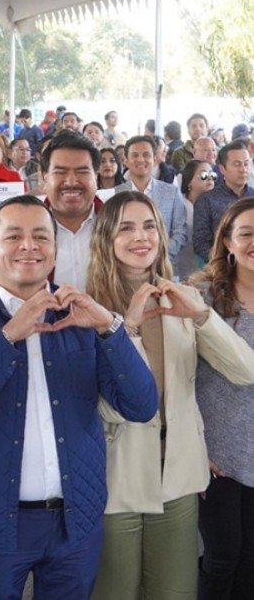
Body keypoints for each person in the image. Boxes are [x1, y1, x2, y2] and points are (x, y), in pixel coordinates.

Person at [0, 193, 158, 598]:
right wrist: (7, 338)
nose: (29, 246)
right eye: (13, 236)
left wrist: (110, 329)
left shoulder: (82, 317)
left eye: (41, 236)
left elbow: (141, 406)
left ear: (55, 251)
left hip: (76, 519)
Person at [86, 191, 254, 599]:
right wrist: (123, 329)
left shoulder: (182, 298)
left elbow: (245, 370)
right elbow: (109, 406)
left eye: (149, 226)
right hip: (117, 478)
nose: (140, 237)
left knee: (175, 593)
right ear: (107, 237)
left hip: (178, 477)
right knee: (116, 592)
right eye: (126, 227)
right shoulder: (88, 306)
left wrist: (201, 316)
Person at [190, 198, 254, 598]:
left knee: (251, 561)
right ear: (227, 241)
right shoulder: (201, 296)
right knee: (222, 556)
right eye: (246, 233)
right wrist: (194, 443)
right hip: (217, 454)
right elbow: (178, 374)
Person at [42, 131, 104, 290]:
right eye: (60, 172)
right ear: (45, 177)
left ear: (96, 176)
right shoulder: (24, 230)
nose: (71, 181)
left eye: (82, 172)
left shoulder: (118, 224)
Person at [114, 136, 187, 269]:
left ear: (154, 159)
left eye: (146, 155)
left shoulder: (172, 192)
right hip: (124, 269)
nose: (141, 159)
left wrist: (158, 254)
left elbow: (180, 231)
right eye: (135, 155)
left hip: (164, 266)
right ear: (125, 160)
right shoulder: (115, 195)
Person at [193, 140, 254, 262]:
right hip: (222, 269)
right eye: (237, 164)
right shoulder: (207, 200)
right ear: (222, 169)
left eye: (246, 164)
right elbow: (200, 243)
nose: (243, 169)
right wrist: (224, 264)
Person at [176, 160, 216, 280]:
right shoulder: (179, 205)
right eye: (204, 175)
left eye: (212, 175)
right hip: (183, 266)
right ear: (189, 182)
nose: (209, 179)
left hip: (211, 266)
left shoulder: (218, 202)